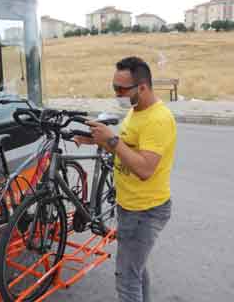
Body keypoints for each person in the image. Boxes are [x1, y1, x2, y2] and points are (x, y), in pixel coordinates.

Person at [74, 56, 176, 302]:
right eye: (114, 87)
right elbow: (128, 149)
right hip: (131, 207)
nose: (117, 93)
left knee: (127, 279)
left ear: (142, 87)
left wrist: (111, 139)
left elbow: (144, 169)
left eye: (121, 89)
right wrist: (94, 139)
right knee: (136, 269)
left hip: (145, 211)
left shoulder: (158, 120)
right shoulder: (135, 111)